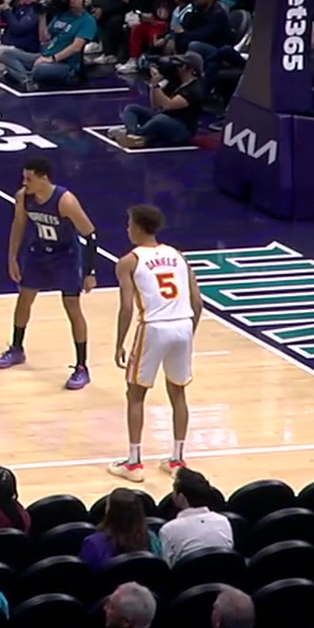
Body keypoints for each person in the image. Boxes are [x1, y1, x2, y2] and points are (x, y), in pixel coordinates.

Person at [109, 204, 202, 481]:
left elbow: (127, 307)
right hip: (183, 324)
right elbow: (197, 301)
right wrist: (190, 331)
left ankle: (134, 463)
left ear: (138, 227)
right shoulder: (178, 255)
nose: (127, 228)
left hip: (154, 327)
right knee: (178, 393)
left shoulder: (128, 261)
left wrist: (119, 342)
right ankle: (177, 460)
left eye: (129, 224)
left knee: (135, 394)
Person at [0, 156, 97, 389]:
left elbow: (90, 234)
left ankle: (82, 367)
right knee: (24, 298)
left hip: (66, 256)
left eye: (29, 179)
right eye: (24, 178)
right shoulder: (23, 197)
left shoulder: (65, 201)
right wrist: (12, 258)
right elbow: (18, 225)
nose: (24, 183)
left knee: (72, 307)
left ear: (44, 178)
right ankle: (17, 348)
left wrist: (90, 272)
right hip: (38, 252)